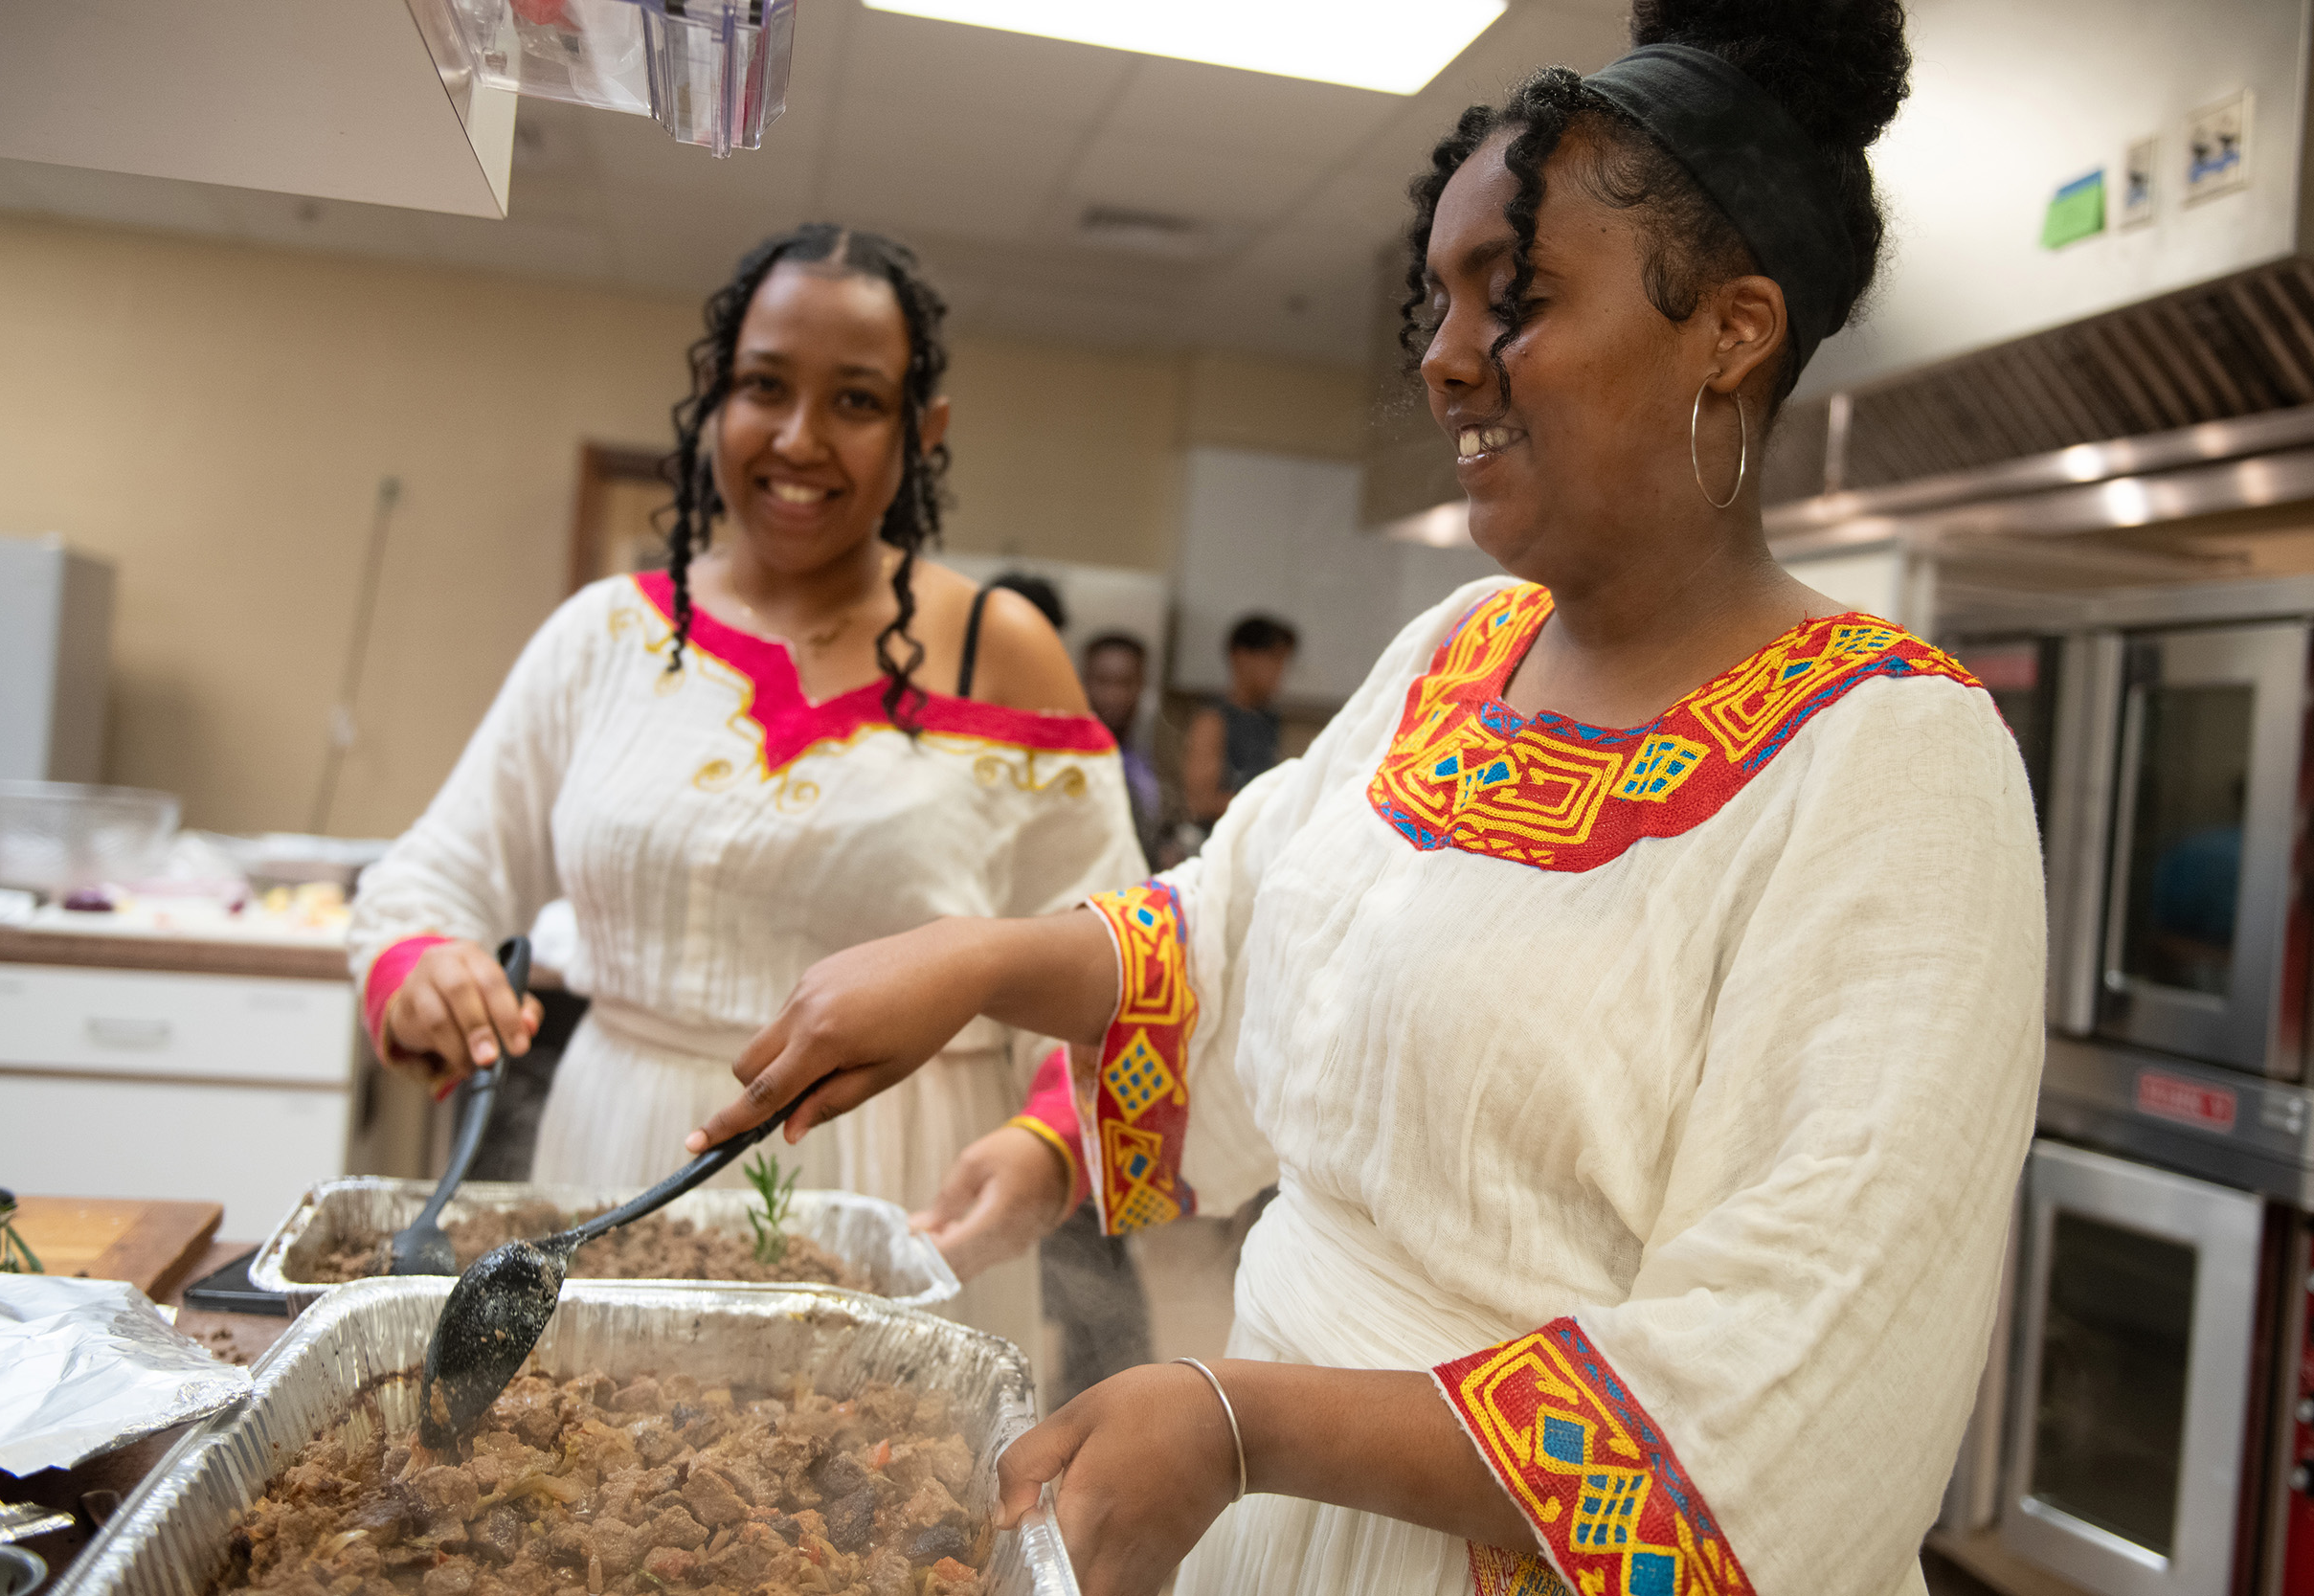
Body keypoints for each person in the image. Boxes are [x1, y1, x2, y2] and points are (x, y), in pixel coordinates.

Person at [690, 4, 2044, 1593]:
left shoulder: (1891, 762)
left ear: (1731, 329)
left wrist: (1246, 1421)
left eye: (1514, 298)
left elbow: (1795, 1373)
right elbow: (1243, 937)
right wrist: (982, 965)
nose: (1443, 353)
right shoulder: (1453, 657)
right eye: (1441, 298)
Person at [346, 224, 1145, 1353]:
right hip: (618, 1164)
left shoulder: (999, 654)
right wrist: (420, 967)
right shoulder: (607, 638)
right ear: (713, 398)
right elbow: (431, 877)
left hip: (903, 1197)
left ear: (925, 430)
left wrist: (1053, 1142)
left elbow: (1119, 956)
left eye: (856, 401)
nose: (798, 438)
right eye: (763, 385)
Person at [1182, 614, 1297, 825]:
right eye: (1274, 659)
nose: (1281, 670)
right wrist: (1266, 804)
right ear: (1242, 657)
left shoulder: (1269, 719)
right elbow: (1201, 802)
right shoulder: (1213, 719)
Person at [1082, 632, 1162, 859]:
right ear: (1085, 683)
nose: (1114, 696)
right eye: (1103, 682)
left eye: (1125, 683)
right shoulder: (1069, 762)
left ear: (1141, 685)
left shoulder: (1151, 755)